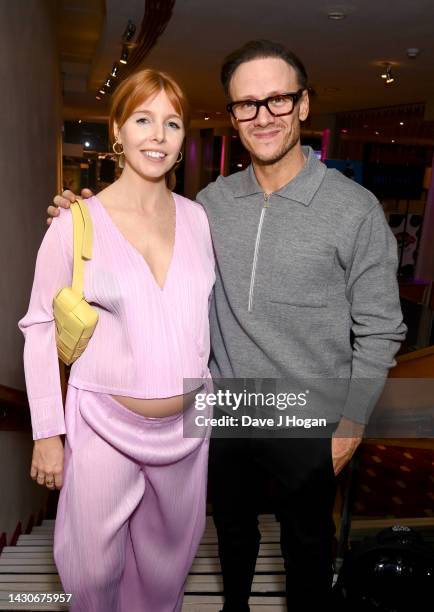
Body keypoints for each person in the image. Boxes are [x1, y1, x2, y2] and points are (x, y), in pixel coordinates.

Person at [48, 40, 406, 612]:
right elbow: (146, 230)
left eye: (277, 100)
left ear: (304, 105)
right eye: (246, 104)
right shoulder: (209, 203)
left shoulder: (355, 209)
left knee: (307, 552)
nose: (263, 116)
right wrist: (81, 212)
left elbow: (382, 327)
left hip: (308, 408)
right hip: (227, 404)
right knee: (232, 539)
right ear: (233, 116)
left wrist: (352, 422)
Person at [19, 68, 215, 612]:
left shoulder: (199, 220)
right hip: (103, 422)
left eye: (172, 123)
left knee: (165, 572)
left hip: (190, 429)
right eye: (143, 120)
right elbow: (38, 325)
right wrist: (47, 432)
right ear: (117, 131)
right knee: (90, 570)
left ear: (182, 139)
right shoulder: (74, 224)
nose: (158, 135)